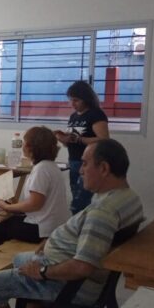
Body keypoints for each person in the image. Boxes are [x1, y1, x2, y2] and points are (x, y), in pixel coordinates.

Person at [0, 139, 143, 308]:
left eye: (84, 164)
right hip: (86, 275)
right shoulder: (129, 198)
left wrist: (42, 273)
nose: (80, 170)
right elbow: (87, 237)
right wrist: (54, 239)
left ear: (104, 169)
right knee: (19, 259)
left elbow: (82, 266)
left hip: (71, 285)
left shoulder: (104, 212)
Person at [0, 126, 70, 258]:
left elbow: (35, 204)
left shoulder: (41, 170)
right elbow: (39, 202)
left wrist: (8, 207)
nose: (22, 146)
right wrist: (13, 207)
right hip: (50, 224)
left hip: (41, 229)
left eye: (24, 142)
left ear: (30, 147)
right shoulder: (50, 166)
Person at [55, 81, 109, 214]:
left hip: (88, 164)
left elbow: (104, 140)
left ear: (86, 99)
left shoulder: (96, 114)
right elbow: (71, 142)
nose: (73, 104)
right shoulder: (73, 116)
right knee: (76, 196)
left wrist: (80, 139)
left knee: (81, 203)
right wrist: (63, 139)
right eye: (71, 100)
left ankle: (82, 230)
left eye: (76, 100)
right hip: (73, 162)